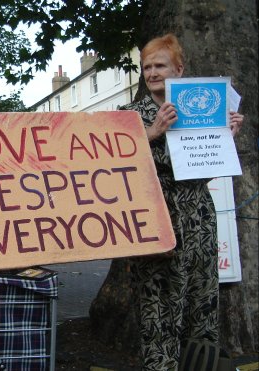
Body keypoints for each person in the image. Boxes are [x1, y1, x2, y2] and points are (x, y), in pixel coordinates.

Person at [120, 33, 244, 370]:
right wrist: (151, 133)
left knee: (200, 306)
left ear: (179, 69)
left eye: (160, 65)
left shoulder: (202, 108)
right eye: (146, 67)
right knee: (158, 309)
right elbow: (114, 163)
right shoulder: (129, 115)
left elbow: (209, 171)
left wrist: (224, 138)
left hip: (199, 219)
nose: (152, 72)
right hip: (156, 221)